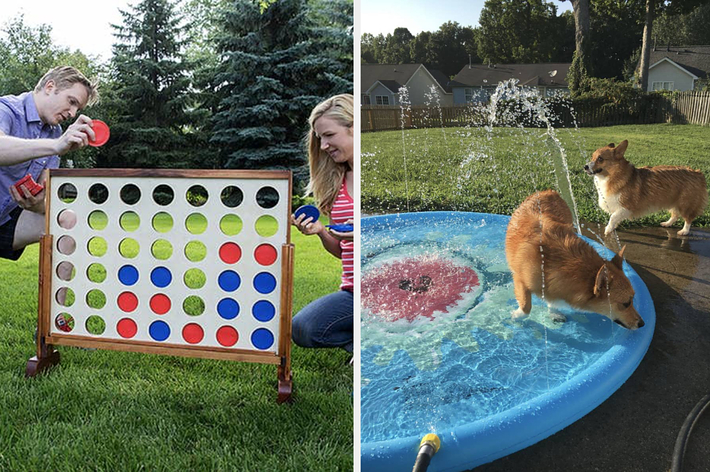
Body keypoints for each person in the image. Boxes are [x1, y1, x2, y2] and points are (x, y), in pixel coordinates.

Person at [0, 66, 99, 261]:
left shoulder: (54, 132)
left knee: (69, 218)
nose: (72, 113)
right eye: (71, 102)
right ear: (50, 86)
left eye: (77, 109)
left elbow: (45, 195)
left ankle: (56, 293)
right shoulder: (7, 109)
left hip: (6, 217)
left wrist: (38, 204)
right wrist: (55, 145)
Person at [291, 94, 354, 354]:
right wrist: (320, 232)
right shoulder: (336, 184)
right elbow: (342, 252)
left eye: (329, 135)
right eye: (320, 138)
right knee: (303, 328)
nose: (324, 145)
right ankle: (358, 342)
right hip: (355, 291)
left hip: (392, 283)